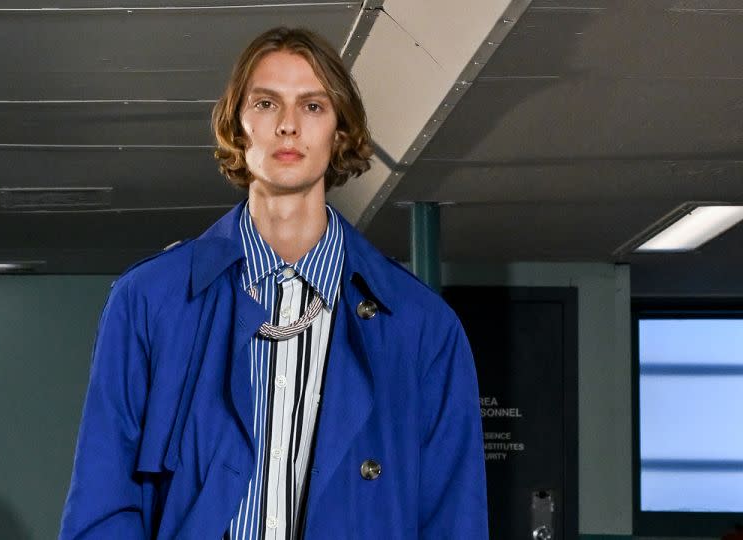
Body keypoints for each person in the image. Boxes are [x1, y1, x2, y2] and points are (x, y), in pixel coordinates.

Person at [59, 27, 487, 539]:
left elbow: (453, 517)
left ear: (341, 132)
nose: (288, 126)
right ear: (238, 127)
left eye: (312, 107)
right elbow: (103, 504)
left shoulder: (422, 325)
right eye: (266, 103)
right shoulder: (150, 301)